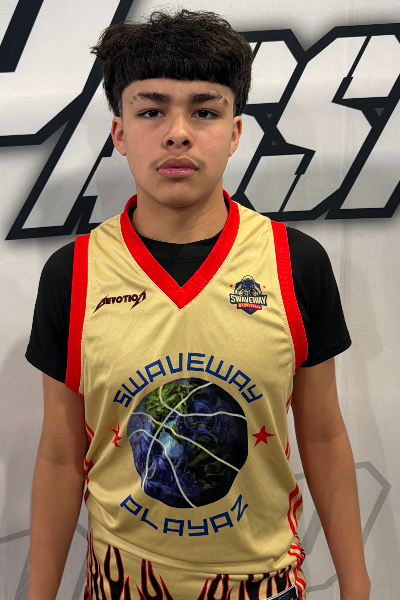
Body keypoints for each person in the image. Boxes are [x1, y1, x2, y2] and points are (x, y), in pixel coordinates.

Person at [25, 9, 370, 600]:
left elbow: (323, 435)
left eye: (204, 111)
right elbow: (60, 455)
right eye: (152, 111)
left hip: (263, 586)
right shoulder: (74, 273)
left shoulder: (294, 262)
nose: (177, 133)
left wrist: (357, 587)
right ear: (119, 133)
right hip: (122, 587)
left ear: (235, 133)